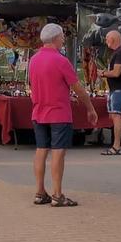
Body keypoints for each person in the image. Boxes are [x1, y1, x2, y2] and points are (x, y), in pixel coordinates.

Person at [29, 23, 98, 207]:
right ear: (56, 38)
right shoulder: (61, 61)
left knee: (41, 150)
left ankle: (39, 191)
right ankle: (57, 194)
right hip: (59, 113)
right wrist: (90, 108)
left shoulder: (34, 60)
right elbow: (78, 88)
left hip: (39, 110)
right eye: (61, 37)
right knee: (58, 152)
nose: (62, 40)